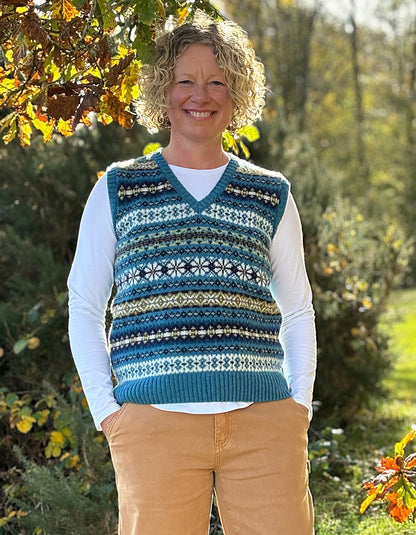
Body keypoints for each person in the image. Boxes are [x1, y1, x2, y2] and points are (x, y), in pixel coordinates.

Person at [68, 11, 317, 535]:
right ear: (164, 89)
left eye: (217, 81)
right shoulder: (119, 189)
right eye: (185, 80)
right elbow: (86, 305)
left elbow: (296, 308)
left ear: (237, 92)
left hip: (264, 421)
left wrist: (297, 408)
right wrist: (109, 414)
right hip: (152, 425)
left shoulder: (270, 193)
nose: (200, 95)